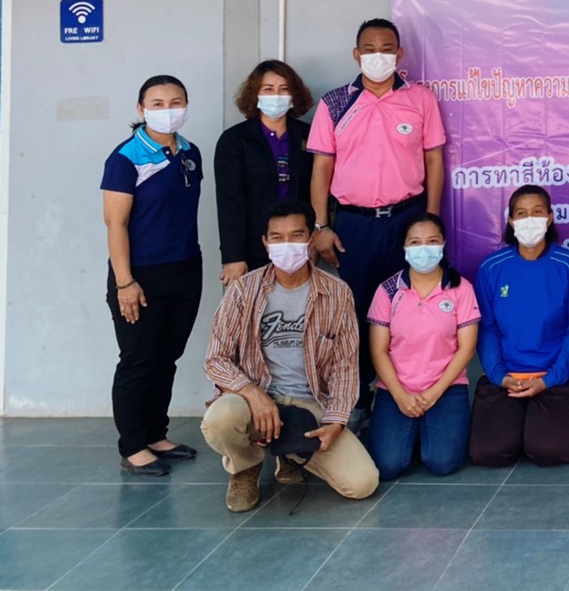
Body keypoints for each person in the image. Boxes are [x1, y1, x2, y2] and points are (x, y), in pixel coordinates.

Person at [201, 201, 379, 512]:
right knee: (221, 418)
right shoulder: (244, 290)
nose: (287, 245)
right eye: (277, 237)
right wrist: (252, 393)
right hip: (254, 400)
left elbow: (345, 367)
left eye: (296, 236)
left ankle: (292, 451)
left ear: (311, 239)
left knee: (362, 483)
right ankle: (245, 467)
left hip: (310, 405)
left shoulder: (337, 293)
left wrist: (335, 422)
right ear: (265, 243)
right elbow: (216, 359)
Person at [308, 18, 447, 414]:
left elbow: (434, 161)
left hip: (407, 221)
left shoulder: (420, 99)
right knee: (356, 312)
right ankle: (356, 402)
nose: (378, 56)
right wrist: (321, 225)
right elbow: (321, 167)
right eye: (369, 49)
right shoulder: (336, 102)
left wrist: (430, 221)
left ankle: (400, 399)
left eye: (387, 49)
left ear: (399, 54)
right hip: (355, 224)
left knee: (407, 309)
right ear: (356, 55)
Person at [102, 75, 205, 477]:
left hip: (185, 268)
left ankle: (155, 434)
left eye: (176, 102)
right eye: (157, 103)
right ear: (141, 109)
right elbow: (115, 223)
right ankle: (132, 446)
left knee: (167, 357)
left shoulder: (190, 152)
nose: (168, 110)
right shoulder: (126, 157)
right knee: (139, 359)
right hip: (141, 274)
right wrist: (124, 282)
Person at [468, 185, 569, 467]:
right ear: (511, 221)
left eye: (537, 212)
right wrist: (500, 376)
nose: (530, 220)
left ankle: (535, 426)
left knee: (549, 451)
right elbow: (488, 329)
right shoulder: (492, 268)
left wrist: (550, 379)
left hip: (557, 377)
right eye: (521, 214)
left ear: (549, 218)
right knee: (489, 453)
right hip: (507, 378)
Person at [366, 213, 480, 479]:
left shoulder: (460, 288)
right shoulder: (388, 290)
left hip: (446, 387)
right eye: (415, 242)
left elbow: (467, 348)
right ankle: (412, 431)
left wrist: (434, 393)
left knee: (443, 463)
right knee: (387, 466)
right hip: (396, 388)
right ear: (404, 247)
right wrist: (400, 395)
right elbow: (378, 351)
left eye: (432, 241)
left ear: (443, 244)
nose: (424, 249)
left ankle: (422, 432)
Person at [215, 60, 314, 287]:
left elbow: (319, 188)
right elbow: (230, 201)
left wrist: (316, 237)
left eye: (284, 89)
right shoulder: (235, 140)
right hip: (254, 246)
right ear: (255, 94)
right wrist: (233, 256)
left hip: (299, 243)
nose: (276, 96)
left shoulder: (308, 134)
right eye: (268, 89)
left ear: (294, 94)